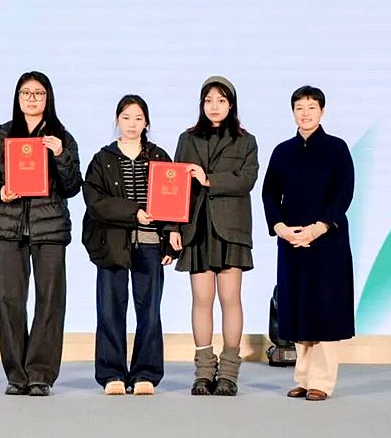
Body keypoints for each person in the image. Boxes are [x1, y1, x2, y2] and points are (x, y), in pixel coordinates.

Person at [0, 71, 82, 396]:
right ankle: (16, 374)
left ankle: (40, 374)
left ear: (48, 98)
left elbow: (72, 186)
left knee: (50, 300)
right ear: (17, 97)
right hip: (8, 227)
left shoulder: (61, 136)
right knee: (9, 299)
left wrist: (60, 155)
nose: (32, 98)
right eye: (26, 93)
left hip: (49, 227)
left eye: (39, 93)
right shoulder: (2, 135)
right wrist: (1, 191)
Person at [261, 85, 355, 401]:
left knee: (326, 309)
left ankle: (322, 382)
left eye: (311, 107)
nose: (305, 113)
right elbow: (269, 193)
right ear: (293, 112)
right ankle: (303, 377)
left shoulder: (337, 148)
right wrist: (280, 227)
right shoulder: (282, 151)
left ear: (322, 111)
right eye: (299, 107)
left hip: (328, 241)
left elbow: (344, 193)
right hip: (291, 240)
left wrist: (318, 228)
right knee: (298, 307)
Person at [82, 95, 179, 396]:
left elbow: (174, 199)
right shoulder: (102, 159)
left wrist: (172, 234)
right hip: (112, 244)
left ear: (146, 123)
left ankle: (145, 373)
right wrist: (133, 211)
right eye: (126, 117)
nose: (132, 124)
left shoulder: (159, 157)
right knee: (110, 309)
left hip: (150, 244)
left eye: (138, 118)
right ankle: (111, 373)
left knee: (149, 310)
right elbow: (95, 201)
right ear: (117, 121)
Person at [174, 76, 258, 396]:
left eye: (221, 100)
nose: (214, 106)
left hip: (231, 228)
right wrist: (172, 229)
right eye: (208, 100)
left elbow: (246, 180)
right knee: (201, 299)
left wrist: (208, 179)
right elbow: (175, 187)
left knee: (230, 299)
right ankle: (204, 372)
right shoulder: (187, 139)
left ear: (231, 105)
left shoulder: (246, 141)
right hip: (197, 227)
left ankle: (229, 373)